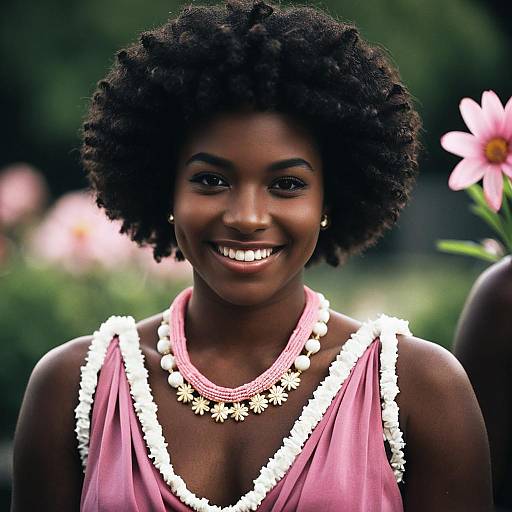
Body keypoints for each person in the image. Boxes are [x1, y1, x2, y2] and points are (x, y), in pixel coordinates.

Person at [11, 1, 492, 510]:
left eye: (286, 184)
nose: (246, 216)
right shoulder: (74, 388)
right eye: (211, 180)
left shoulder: (417, 390)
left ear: (328, 202)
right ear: (165, 191)